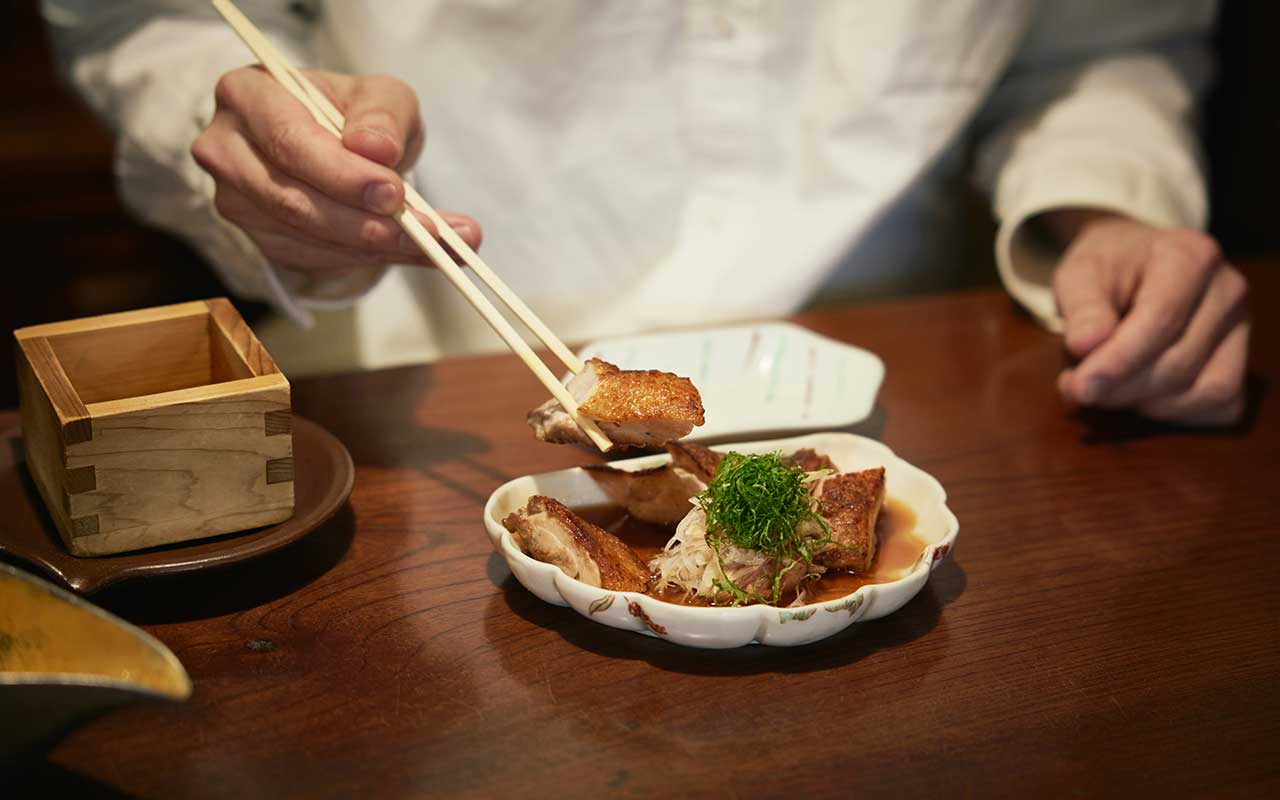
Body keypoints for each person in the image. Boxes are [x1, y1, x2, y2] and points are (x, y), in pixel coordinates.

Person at [43, 0, 1248, 424]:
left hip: (928, 371)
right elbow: (147, 13)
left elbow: (1101, 44)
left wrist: (1100, 208)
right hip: (433, 361)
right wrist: (270, 148)